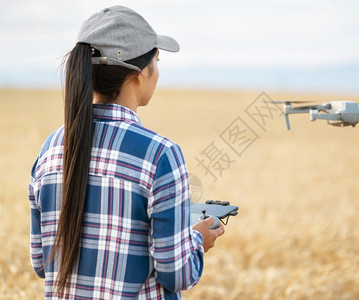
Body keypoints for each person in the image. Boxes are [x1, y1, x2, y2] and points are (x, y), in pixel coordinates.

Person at [28, 5, 225, 299]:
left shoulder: (51, 149)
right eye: (156, 61)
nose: (157, 72)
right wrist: (197, 239)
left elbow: (42, 262)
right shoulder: (160, 154)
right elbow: (176, 272)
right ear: (139, 74)